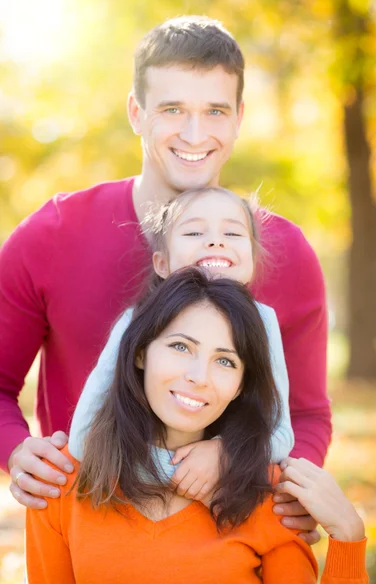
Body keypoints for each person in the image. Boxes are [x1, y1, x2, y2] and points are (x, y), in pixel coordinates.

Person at [1, 16, 331, 540]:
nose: (195, 134)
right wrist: (15, 450)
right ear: (137, 112)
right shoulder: (49, 235)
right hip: (83, 535)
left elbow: (308, 414)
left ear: (239, 118)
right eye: (173, 109)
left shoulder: (286, 252)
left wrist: (285, 481)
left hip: (231, 542)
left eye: (215, 111)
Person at [26, 269, 367, 584]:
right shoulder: (59, 481)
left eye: (224, 361)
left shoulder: (270, 495)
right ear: (141, 353)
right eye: (180, 346)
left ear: (240, 386)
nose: (198, 377)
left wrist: (349, 537)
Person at [69, 186, 295, 477]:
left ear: (251, 260)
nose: (215, 242)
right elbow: (83, 438)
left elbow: (280, 435)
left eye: (232, 234)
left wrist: (223, 455)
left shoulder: (262, 322)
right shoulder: (136, 321)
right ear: (162, 263)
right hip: (126, 487)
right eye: (194, 233)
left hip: (230, 496)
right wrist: (176, 471)